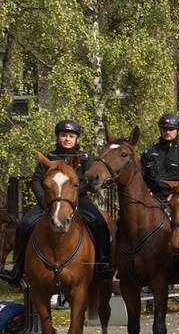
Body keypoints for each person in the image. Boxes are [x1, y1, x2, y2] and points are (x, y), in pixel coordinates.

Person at [0, 120, 113, 285]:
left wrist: (71, 195)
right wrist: (44, 200)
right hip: (49, 201)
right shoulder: (48, 158)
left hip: (77, 200)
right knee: (24, 224)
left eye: (71, 136)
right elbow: (36, 181)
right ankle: (17, 269)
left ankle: (103, 262)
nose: (67, 139)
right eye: (63, 135)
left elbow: (88, 181)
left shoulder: (85, 158)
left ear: (77, 139)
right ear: (58, 137)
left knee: (99, 222)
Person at [140, 113, 179, 201]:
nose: (168, 132)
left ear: (177, 130)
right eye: (164, 129)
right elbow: (140, 177)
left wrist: (177, 194)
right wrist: (145, 190)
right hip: (152, 198)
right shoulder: (149, 152)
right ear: (160, 129)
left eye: (171, 129)